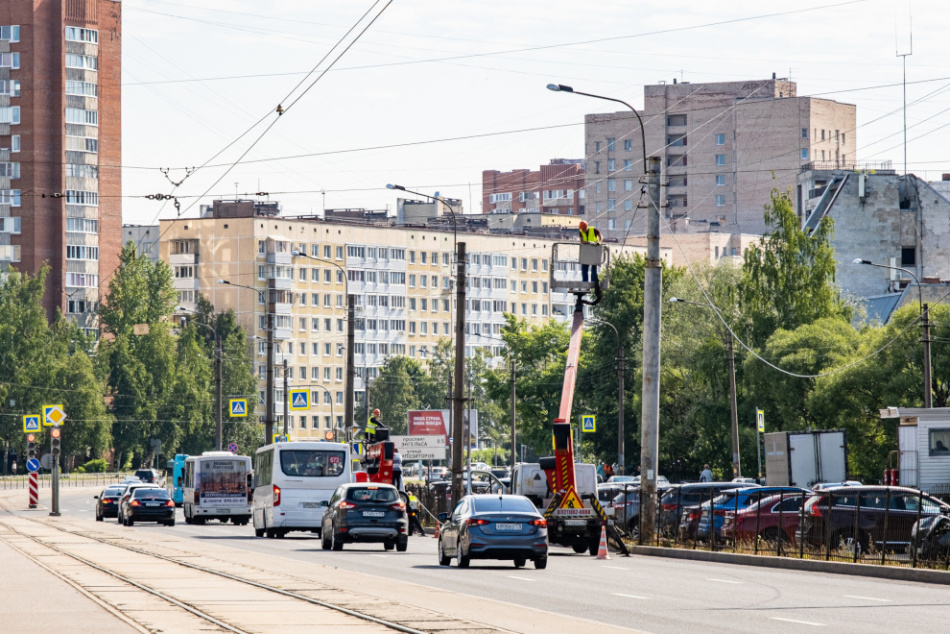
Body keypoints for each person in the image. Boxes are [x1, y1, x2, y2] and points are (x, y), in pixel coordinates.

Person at [578, 220, 603, 294]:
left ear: (586, 227)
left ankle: (593, 282)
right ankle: (585, 284)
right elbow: (582, 241)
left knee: (593, 269)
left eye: (583, 228)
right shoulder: (581, 232)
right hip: (586, 252)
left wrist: (599, 242)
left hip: (594, 251)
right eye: (581, 229)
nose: (582, 230)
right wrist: (589, 242)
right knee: (584, 269)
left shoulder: (593, 229)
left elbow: (600, 237)